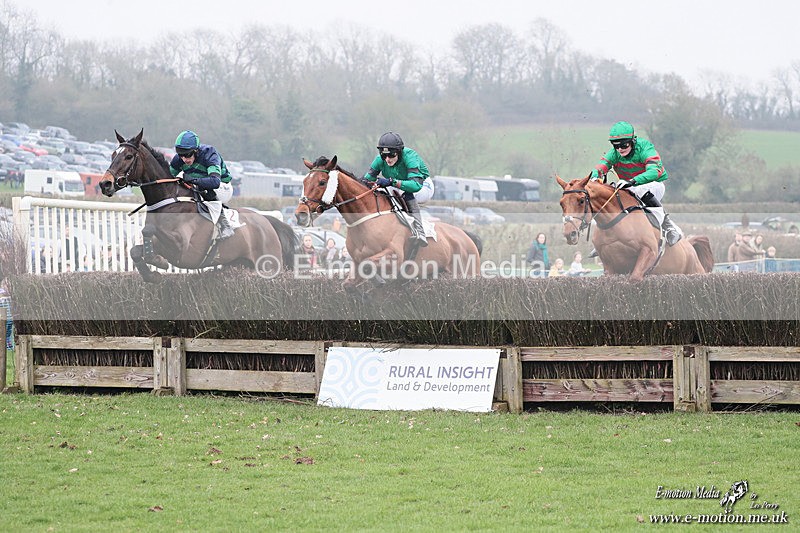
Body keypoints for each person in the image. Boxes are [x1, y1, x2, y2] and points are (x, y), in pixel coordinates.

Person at [589, 121, 682, 248]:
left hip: (654, 184)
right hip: (629, 188)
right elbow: (601, 167)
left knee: (638, 190)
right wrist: (594, 177)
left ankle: (669, 226)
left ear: (632, 140)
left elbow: (654, 171)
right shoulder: (614, 153)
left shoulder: (645, 148)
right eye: (616, 146)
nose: (620, 149)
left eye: (624, 145)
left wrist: (632, 181)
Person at [362, 132, 434, 247]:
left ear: (399, 152)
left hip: (423, 186)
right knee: (381, 193)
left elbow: (415, 185)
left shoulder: (410, 157)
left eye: (391, 155)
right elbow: (365, 181)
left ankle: (420, 232)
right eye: (384, 155)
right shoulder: (380, 160)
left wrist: (391, 182)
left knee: (407, 193)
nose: (387, 159)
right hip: (398, 184)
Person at [169, 130, 235, 239]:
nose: (184, 159)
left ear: (196, 150)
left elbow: (215, 182)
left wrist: (193, 180)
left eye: (188, 155)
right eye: (181, 155)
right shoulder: (179, 160)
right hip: (201, 188)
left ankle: (225, 225)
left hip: (223, 187)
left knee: (201, 186)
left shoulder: (209, 154)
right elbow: (168, 178)